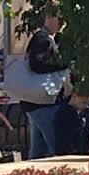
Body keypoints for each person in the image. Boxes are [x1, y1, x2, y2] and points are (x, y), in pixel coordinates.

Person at [22, 10, 70, 160]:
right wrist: (61, 65)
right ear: (49, 18)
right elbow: (37, 64)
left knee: (38, 154)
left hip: (36, 103)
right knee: (57, 150)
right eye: (59, 19)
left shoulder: (47, 38)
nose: (62, 23)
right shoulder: (43, 39)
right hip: (43, 103)